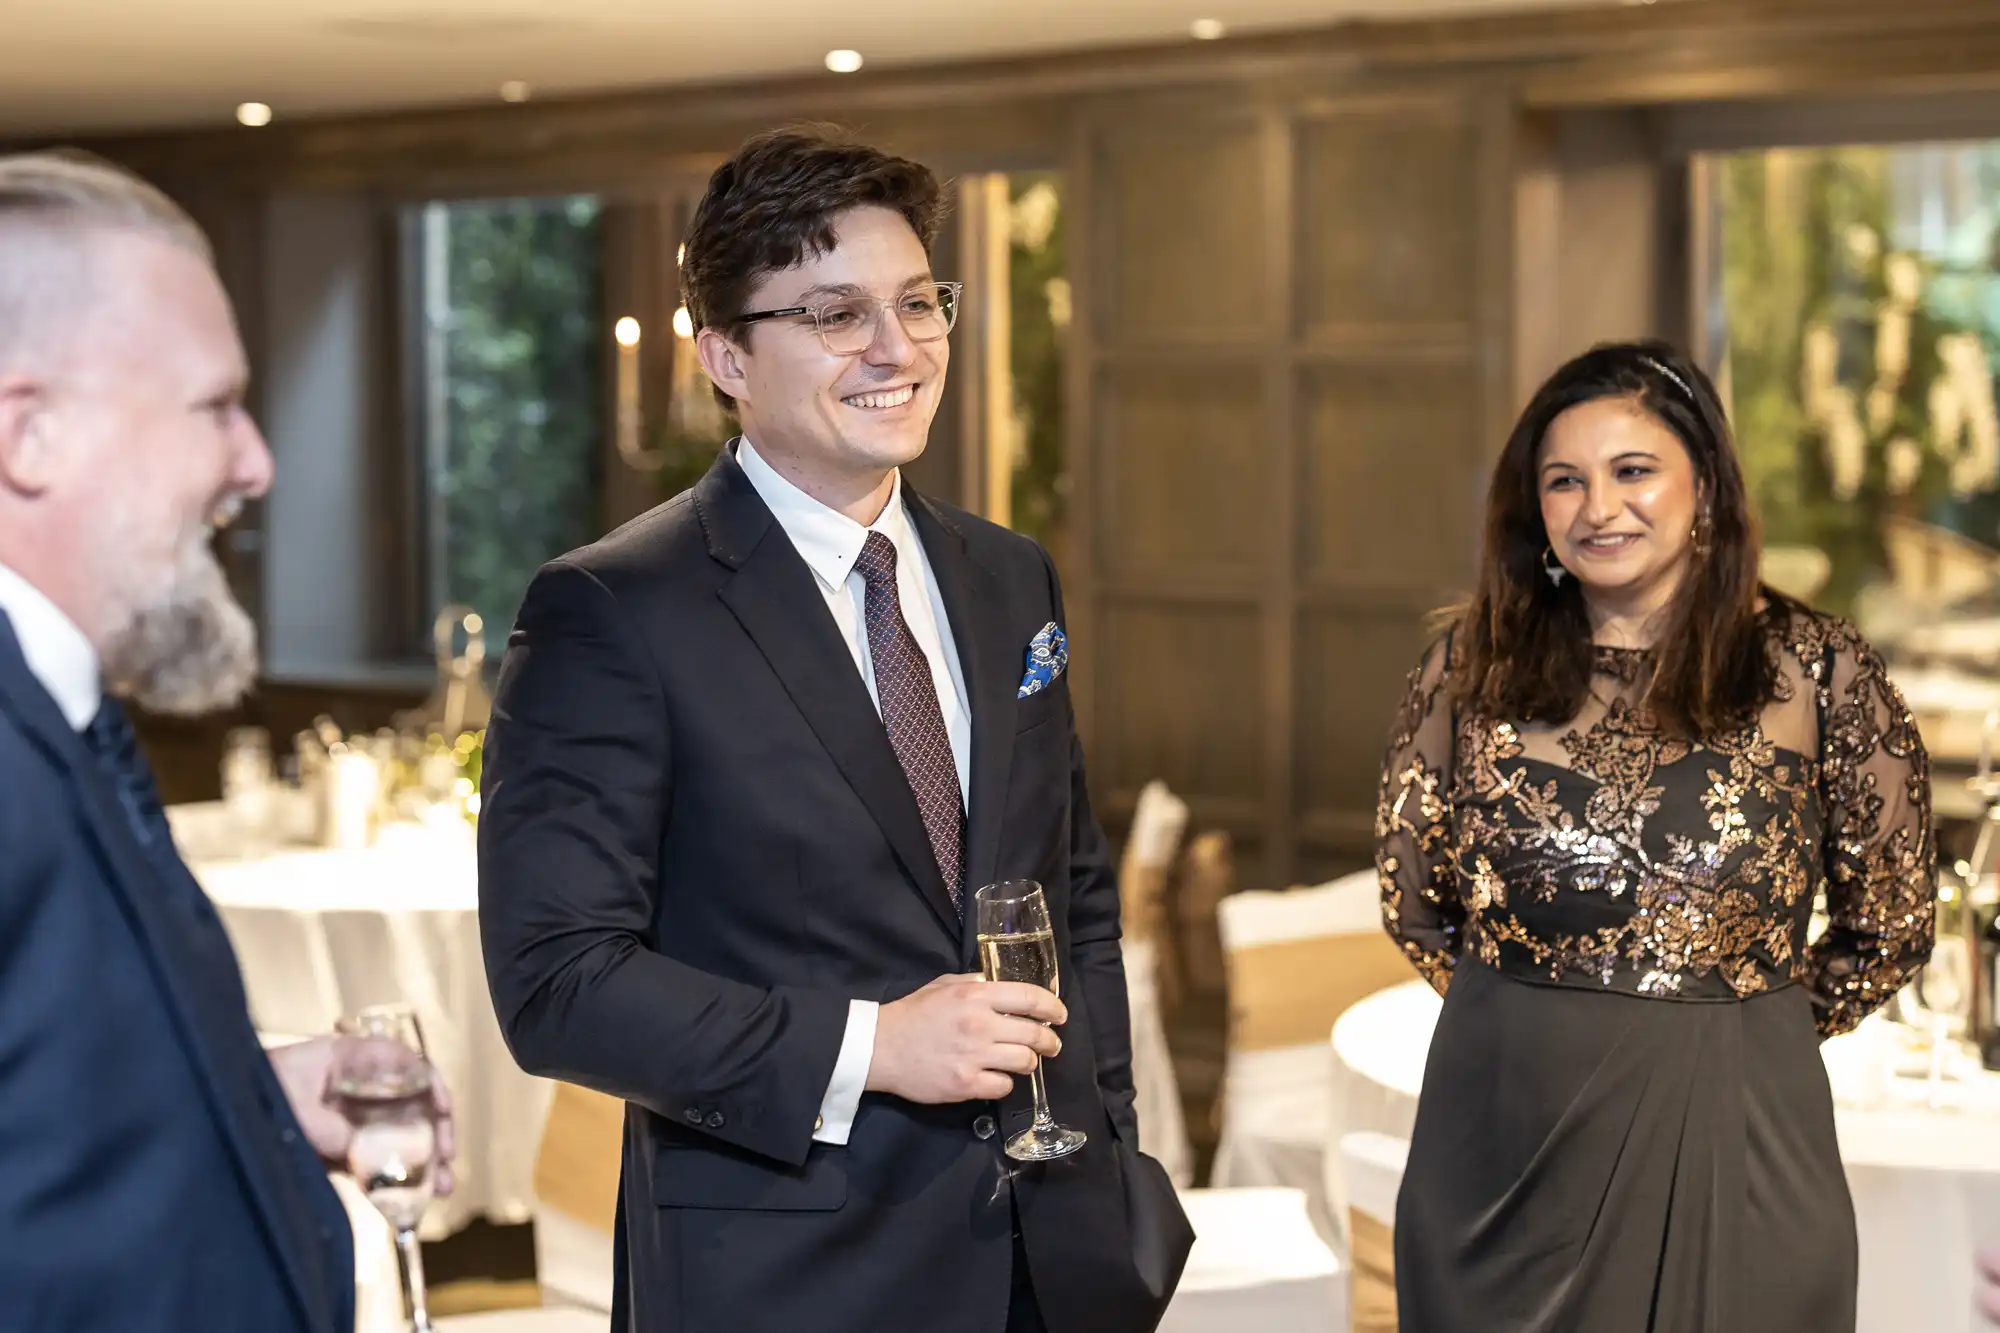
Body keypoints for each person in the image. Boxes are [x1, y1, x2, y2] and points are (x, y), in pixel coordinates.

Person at [478, 127, 1190, 1333]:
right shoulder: (612, 609)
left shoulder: (1008, 576)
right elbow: (559, 982)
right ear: (725, 356)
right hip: (790, 1274)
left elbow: (1069, 890)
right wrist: (871, 1046)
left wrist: (1105, 1129)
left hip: (1053, 1250)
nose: (896, 349)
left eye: (918, 302)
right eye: (834, 315)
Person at [1376, 339, 1934, 1332]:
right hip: (1499, 1162)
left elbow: (1889, 919)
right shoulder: (1466, 670)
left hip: (1740, 1141)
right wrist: (1535, 1017)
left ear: (1703, 486)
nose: (1598, 508)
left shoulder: (1815, 672)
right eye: (1563, 481)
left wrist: (1734, 1022)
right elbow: (1412, 899)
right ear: (1533, 510)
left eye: (1631, 470)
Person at [0, 151, 454, 1331]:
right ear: (28, 433)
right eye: (214, 406)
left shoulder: (60, 708)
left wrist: (241, 1092)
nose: (254, 462)